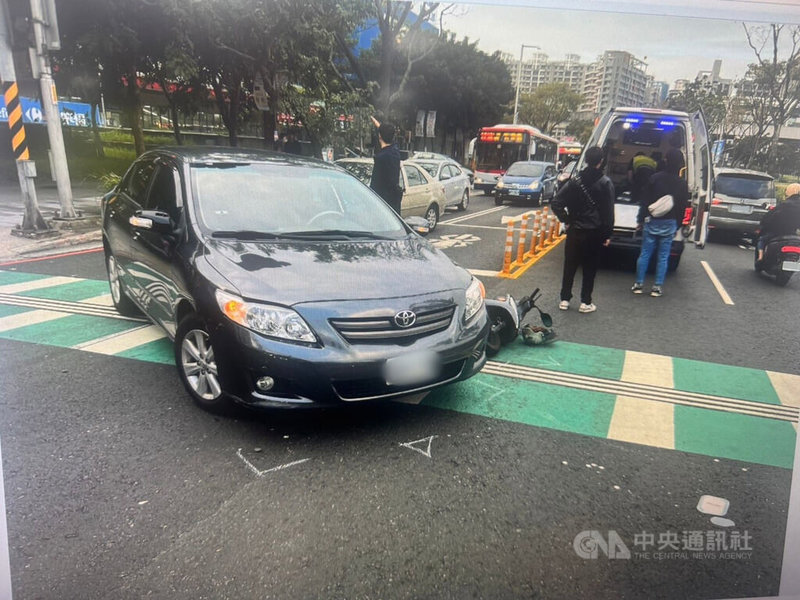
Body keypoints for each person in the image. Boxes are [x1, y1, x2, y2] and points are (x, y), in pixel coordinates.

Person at [551, 146, 615, 313]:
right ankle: (585, 302)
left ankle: (565, 299)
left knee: (570, 266)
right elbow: (608, 213)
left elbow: (556, 203)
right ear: (601, 161)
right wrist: (607, 234)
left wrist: (567, 220)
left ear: (585, 160)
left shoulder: (575, 181)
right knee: (589, 268)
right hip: (594, 232)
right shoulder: (606, 183)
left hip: (575, 230)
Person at [631, 147, 689, 297]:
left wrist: (640, 220)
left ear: (666, 160)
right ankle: (657, 287)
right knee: (663, 256)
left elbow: (645, 201)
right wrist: (678, 224)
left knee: (645, 253)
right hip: (670, 222)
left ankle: (638, 284)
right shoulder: (682, 184)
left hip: (652, 220)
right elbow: (682, 206)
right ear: (680, 164)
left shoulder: (655, 178)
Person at [757, 182, 800, 261]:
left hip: (777, 232)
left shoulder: (784, 204)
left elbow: (770, 217)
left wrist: (764, 224)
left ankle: (760, 258)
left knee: (762, 240)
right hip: (793, 233)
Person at [369, 117, 403, 215]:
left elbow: (375, 185)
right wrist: (377, 124)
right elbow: (387, 133)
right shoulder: (395, 152)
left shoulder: (381, 158)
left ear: (379, 136)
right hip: (394, 203)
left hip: (383, 205)